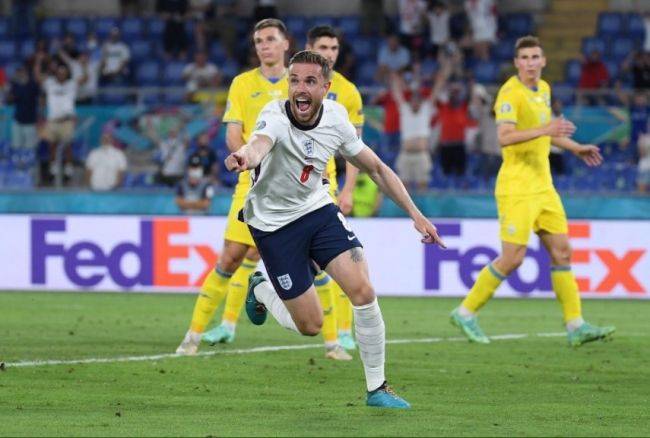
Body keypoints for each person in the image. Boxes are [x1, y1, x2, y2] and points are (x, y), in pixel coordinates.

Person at [224, 50, 444, 408]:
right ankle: (261, 288)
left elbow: (377, 168)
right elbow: (258, 145)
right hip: (274, 225)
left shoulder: (337, 119)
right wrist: (244, 157)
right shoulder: (274, 116)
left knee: (363, 290)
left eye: (310, 81)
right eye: (295, 80)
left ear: (325, 87)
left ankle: (377, 388)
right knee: (310, 326)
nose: (300, 88)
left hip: (317, 210)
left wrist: (416, 215)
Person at [449, 36, 615, 347]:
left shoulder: (544, 89)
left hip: (543, 186)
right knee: (513, 258)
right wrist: (546, 130)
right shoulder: (510, 93)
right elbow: (505, 136)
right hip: (517, 187)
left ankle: (575, 325)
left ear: (543, 61)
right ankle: (465, 312)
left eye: (535, 57)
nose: (530, 63)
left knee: (562, 251)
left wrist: (575, 147)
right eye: (524, 58)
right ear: (516, 63)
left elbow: (546, 131)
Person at [175, 18, 290, 356]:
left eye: (270, 39)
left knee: (271, 257)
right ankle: (192, 337)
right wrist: (250, 160)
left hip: (291, 188)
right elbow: (232, 134)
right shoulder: (242, 83)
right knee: (230, 257)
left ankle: (335, 338)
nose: (264, 45)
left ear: (285, 43)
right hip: (252, 183)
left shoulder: (297, 82)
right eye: (259, 41)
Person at [33, 53, 88, 185]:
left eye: (64, 73)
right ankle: (54, 170)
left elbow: (85, 78)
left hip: (67, 121)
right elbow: (37, 77)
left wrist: (84, 66)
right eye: (59, 73)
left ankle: (68, 170)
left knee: (67, 146)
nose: (61, 75)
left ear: (66, 74)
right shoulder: (50, 83)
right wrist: (38, 61)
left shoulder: (71, 84)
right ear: (56, 74)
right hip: (52, 121)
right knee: (52, 146)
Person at [7, 64, 40, 152]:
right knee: (16, 147)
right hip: (18, 120)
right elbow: (9, 100)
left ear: (27, 72)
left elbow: (40, 98)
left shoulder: (33, 84)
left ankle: (30, 161)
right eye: (18, 71)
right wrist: (9, 89)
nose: (20, 73)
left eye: (22, 71)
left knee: (30, 148)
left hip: (30, 121)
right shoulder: (15, 85)